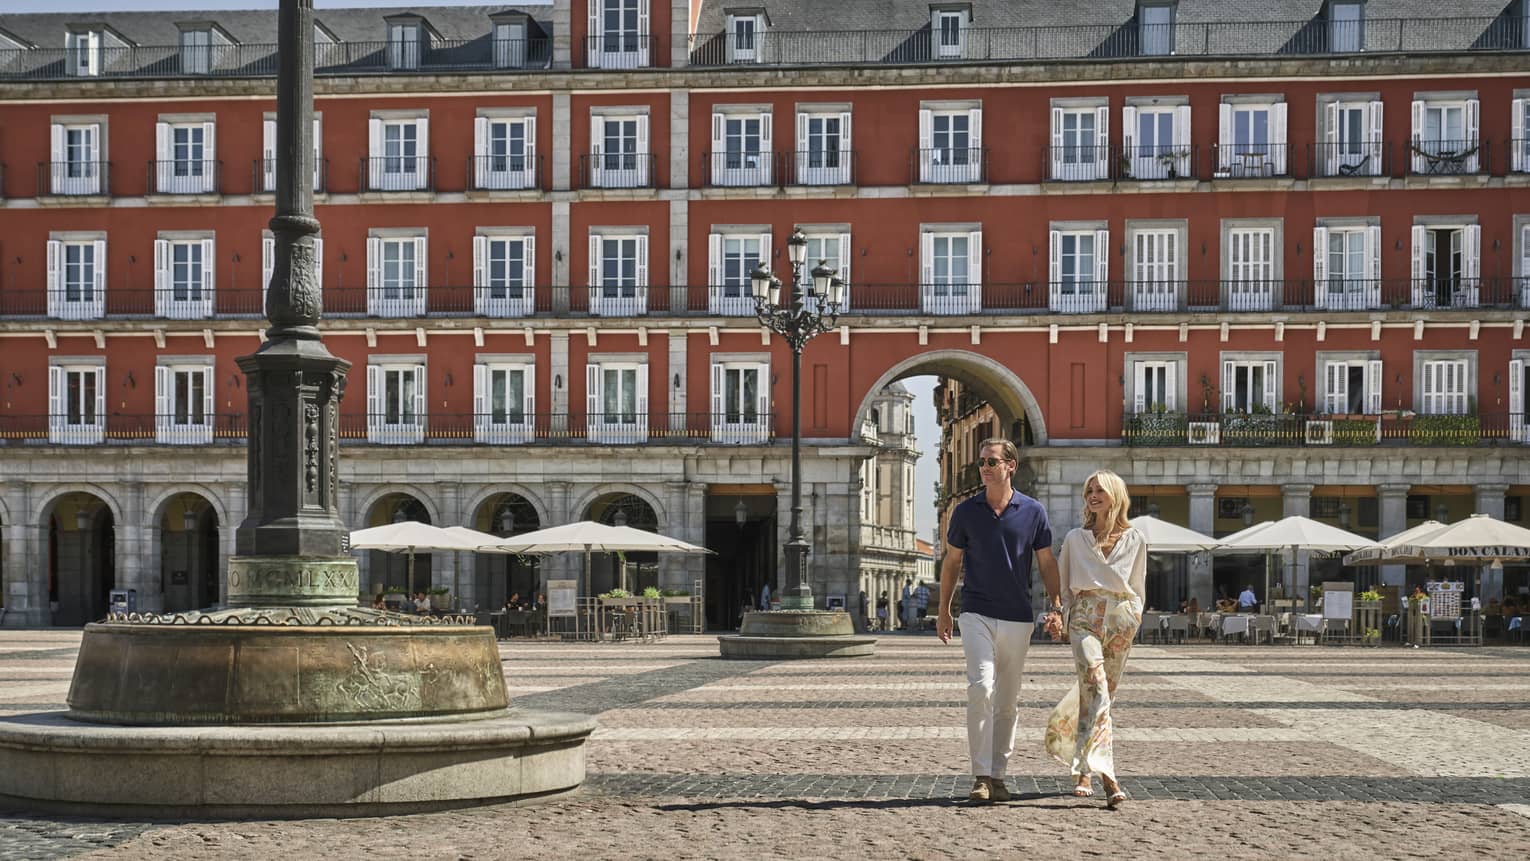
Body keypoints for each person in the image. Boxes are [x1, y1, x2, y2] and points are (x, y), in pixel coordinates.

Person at [936, 437, 1059, 805]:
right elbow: (952, 562)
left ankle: (999, 775)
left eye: (991, 462)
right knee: (981, 688)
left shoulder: (1033, 511)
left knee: (1007, 701)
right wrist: (945, 609)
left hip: (1018, 617)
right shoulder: (966, 511)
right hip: (975, 612)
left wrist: (1056, 605)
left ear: (1010, 466)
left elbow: (1047, 562)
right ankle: (981, 774)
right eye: (982, 462)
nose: (984, 468)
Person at [1043, 469, 1146, 810]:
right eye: (1089, 490)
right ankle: (1109, 777)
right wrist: (1059, 614)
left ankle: (1084, 770)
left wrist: (1134, 615)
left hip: (1120, 621)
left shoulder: (1135, 539)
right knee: (1097, 688)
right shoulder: (1075, 538)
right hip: (1085, 617)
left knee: (1097, 699)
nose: (1093, 495)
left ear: (1116, 495)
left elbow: (1138, 586)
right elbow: (1062, 584)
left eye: (1099, 489)